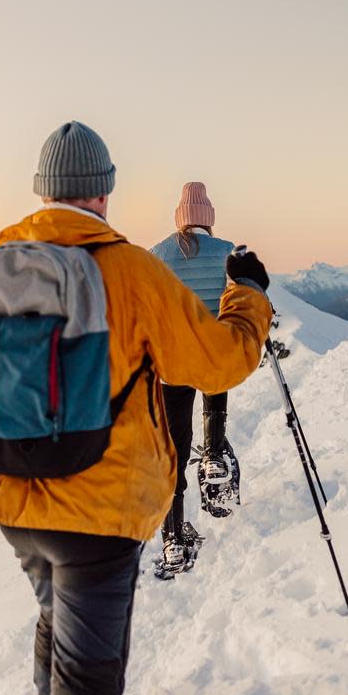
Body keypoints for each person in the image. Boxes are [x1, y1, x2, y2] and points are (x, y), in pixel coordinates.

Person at [0, 121, 272, 695]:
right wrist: (248, 297)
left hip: (10, 500)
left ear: (42, 193)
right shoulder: (128, 271)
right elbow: (218, 360)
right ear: (102, 193)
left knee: (54, 609)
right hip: (101, 515)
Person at [148, 183, 242, 578]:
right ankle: (216, 461)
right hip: (213, 357)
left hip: (172, 365)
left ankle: (173, 540)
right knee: (213, 414)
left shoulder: (157, 256)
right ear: (208, 218)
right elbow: (241, 301)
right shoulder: (228, 253)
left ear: (180, 218)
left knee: (174, 448)